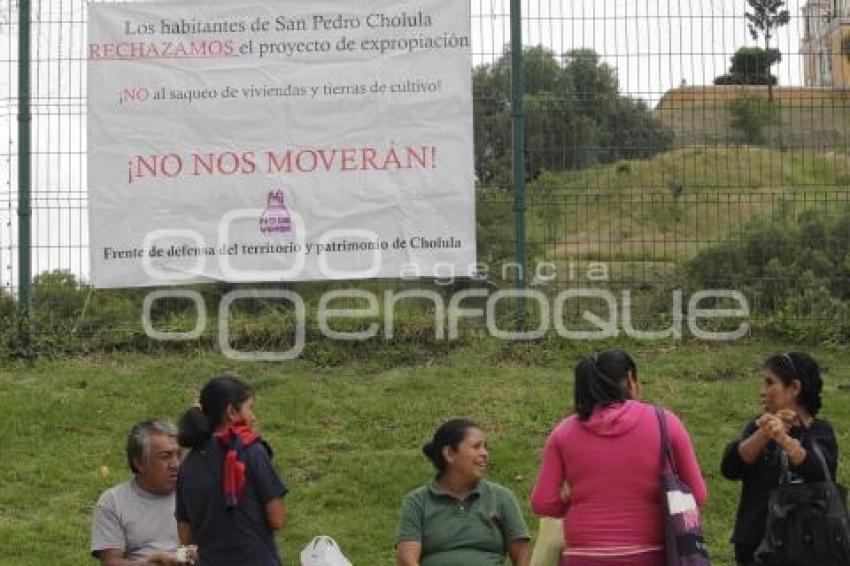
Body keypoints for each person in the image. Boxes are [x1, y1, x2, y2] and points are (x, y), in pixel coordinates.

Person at [530, 350, 708, 566]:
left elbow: (542, 503)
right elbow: (697, 495)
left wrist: (576, 502)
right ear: (631, 379)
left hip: (583, 556)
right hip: (649, 555)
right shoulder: (665, 423)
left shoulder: (564, 432)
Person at [720, 351, 838, 566]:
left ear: (794, 388)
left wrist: (784, 439)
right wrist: (764, 433)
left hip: (805, 548)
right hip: (755, 545)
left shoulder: (820, 432)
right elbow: (730, 468)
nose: (762, 392)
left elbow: (819, 471)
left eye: (769, 383)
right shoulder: (758, 426)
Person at [176, 374, 288, 566]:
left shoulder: (186, 467)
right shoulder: (252, 452)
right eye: (249, 408)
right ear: (232, 412)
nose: (253, 417)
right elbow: (277, 519)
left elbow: (186, 536)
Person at [396, 418, 531, 566]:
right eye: (476, 447)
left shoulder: (502, 497)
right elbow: (407, 560)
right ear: (449, 454)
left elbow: (522, 555)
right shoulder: (417, 501)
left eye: (485, 447)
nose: (485, 453)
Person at [91, 419, 187, 565]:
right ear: (139, 463)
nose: (175, 464)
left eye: (178, 455)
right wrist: (152, 562)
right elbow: (111, 562)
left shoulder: (196, 494)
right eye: (165, 456)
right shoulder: (113, 501)